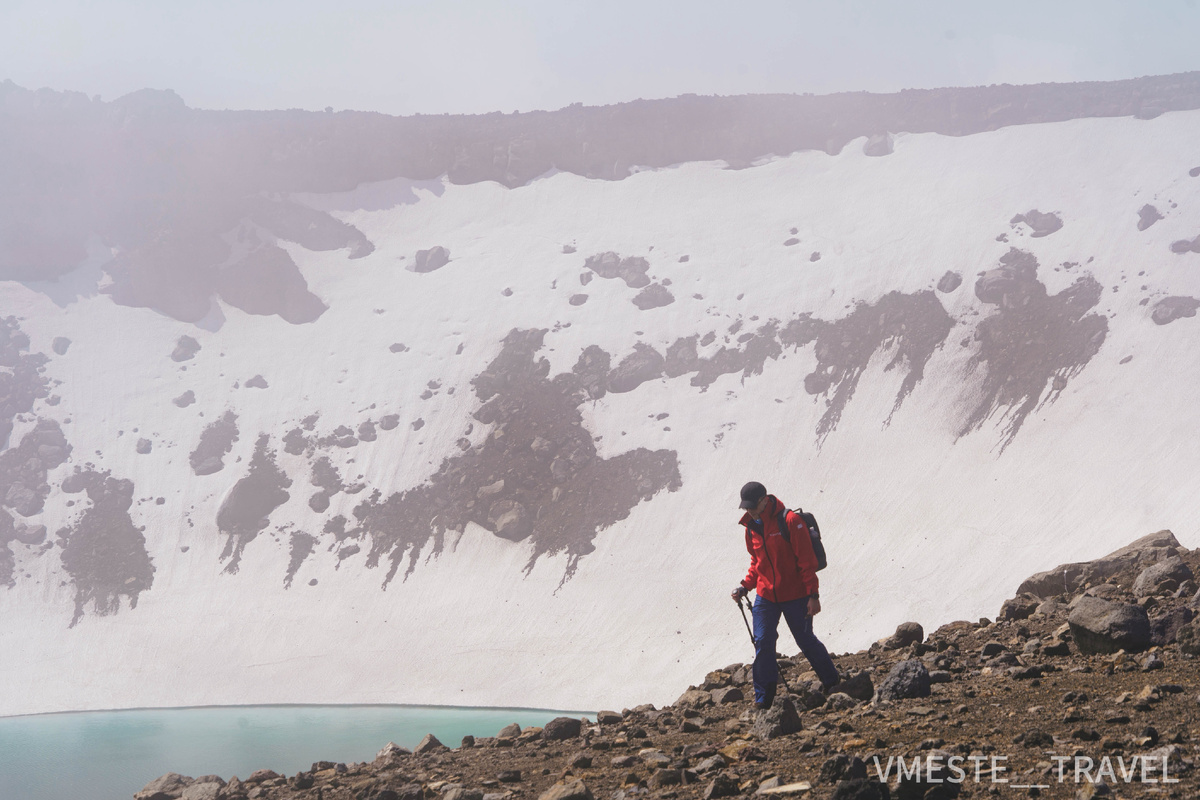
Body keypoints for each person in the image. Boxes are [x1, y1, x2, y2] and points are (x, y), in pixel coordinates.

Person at [730, 481, 839, 709]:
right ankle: (763, 701)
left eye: (752, 505)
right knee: (763, 641)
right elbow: (757, 563)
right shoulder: (751, 528)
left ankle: (833, 683)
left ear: (764, 499)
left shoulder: (790, 521)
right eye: (746, 507)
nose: (748, 510)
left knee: (805, 640)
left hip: (796, 594)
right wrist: (745, 586)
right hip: (765, 596)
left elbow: (806, 562)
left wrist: (813, 595)